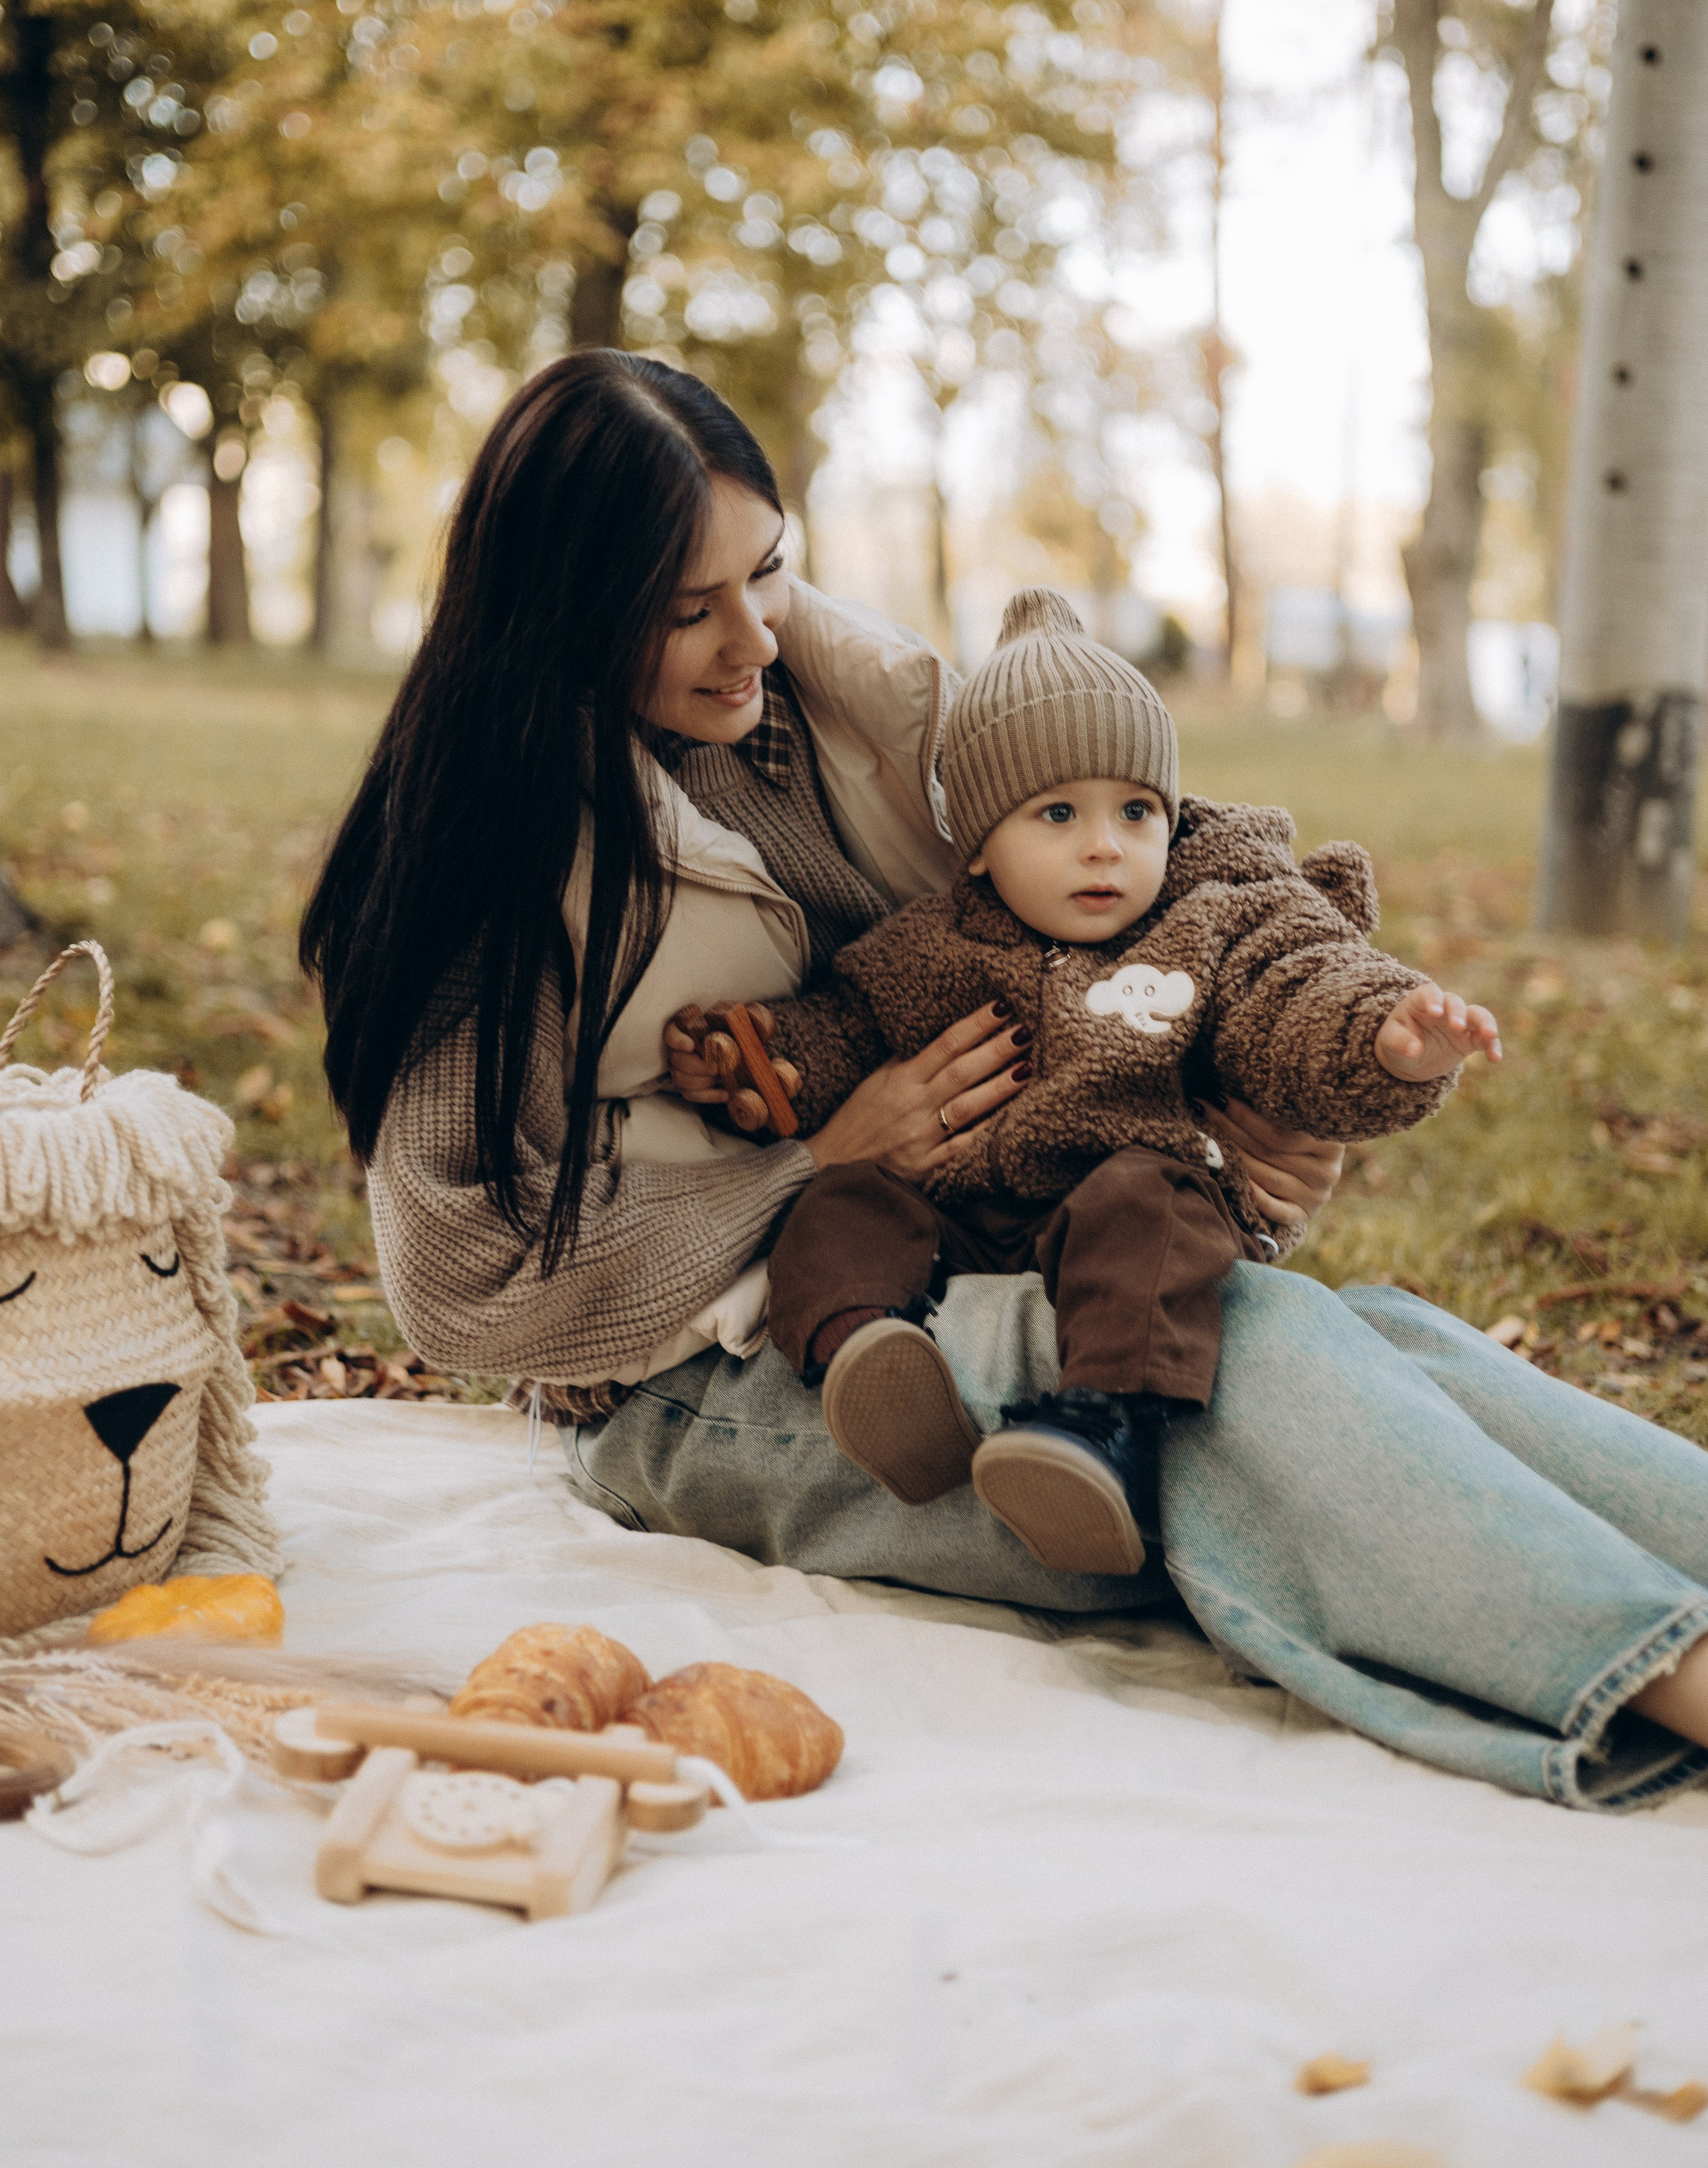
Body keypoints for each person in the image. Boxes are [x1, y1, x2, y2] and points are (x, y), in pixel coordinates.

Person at [302, 348, 1708, 1812]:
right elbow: (455, 1268)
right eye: (682, 610)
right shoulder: (499, 865)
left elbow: (1162, 861)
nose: (754, 641)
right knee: (1256, 1380)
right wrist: (816, 1164)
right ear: (562, 618)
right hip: (716, 1380)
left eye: (765, 573)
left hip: (987, 1256)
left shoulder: (871, 710)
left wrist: (1259, 1103)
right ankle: (1664, 1677)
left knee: (1348, 1341)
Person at [666, 586, 1501, 1581]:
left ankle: (1100, 1429)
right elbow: (848, 1026)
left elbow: (1296, 987)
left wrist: (1383, 1037)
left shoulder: (1210, 923)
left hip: (1129, 1208)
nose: (1105, 844)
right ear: (978, 844)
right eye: (1058, 813)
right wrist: (762, 1059)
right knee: (844, 1199)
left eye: (1136, 810)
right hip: (967, 1215)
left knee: (1148, 1205)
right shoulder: (937, 945)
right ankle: (867, 1356)